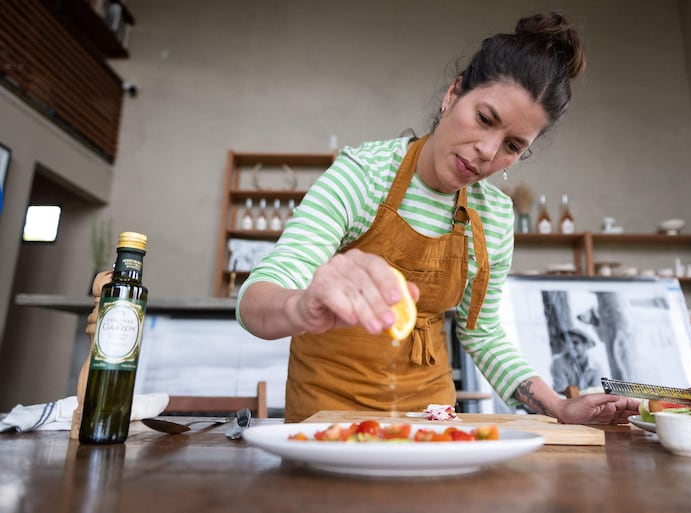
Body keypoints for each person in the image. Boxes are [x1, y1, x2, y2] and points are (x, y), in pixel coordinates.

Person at [237, 11, 639, 424]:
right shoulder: (364, 176)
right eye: (484, 119)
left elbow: (481, 333)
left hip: (431, 422)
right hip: (327, 418)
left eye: (513, 145)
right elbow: (256, 300)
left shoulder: (494, 216)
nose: (487, 150)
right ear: (453, 93)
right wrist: (302, 307)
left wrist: (558, 406)